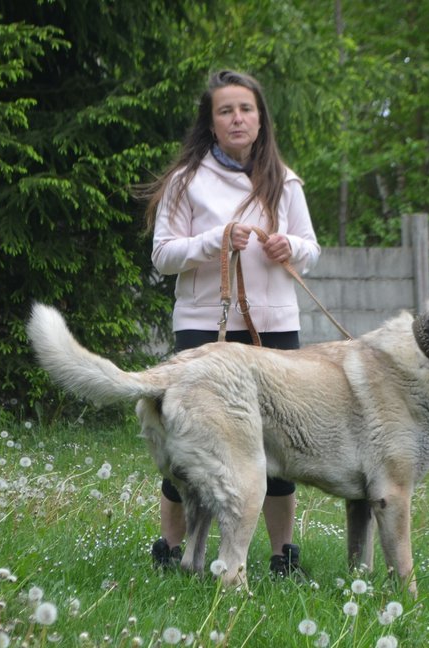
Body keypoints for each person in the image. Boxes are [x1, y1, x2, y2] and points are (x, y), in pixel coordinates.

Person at [141, 69, 321, 576]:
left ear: (260, 119)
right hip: (206, 325)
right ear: (212, 123)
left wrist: (292, 248)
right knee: (191, 439)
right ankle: (170, 552)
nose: (237, 118)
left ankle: (282, 556)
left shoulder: (284, 180)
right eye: (226, 110)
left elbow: (311, 247)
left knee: (280, 446)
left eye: (246, 109)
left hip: (275, 327)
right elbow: (162, 255)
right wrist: (214, 240)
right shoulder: (186, 182)